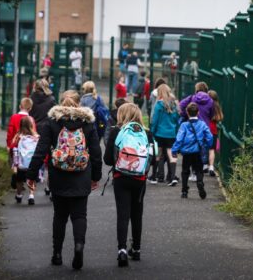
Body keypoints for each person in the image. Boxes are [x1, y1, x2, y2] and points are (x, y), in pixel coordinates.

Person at [26, 90, 102, 270]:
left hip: (58, 176)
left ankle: (57, 254)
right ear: (79, 103)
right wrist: (95, 177)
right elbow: (96, 154)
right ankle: (78, 246)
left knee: (59, 216)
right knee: (79, 215)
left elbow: (40, 151)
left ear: (61, 103)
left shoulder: (52, 123)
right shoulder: (88, 124)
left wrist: (31, 176)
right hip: (81, 176)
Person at [104, 103, 152, 267]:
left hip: (121, 177)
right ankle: (136, 249)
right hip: (140, 179)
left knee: (123, 213)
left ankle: (122, 250)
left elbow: (107, 160)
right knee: (137, 213)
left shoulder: (117, 131)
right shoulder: (147, 133)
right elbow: (152, 158)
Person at [172, 102, 213, 199]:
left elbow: (179, 139)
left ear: (187, 112)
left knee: (185, 171)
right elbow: (209, 137)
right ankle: (199, 182)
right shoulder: (202, 124)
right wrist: (207, 145)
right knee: (199, 170)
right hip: (198, 151)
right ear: (198, 112)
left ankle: (184, 191)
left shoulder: (184, 125)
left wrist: (174, 150)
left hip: (186, 152)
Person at [150, 84, 180, 185]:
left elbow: (155, 120)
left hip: (159, 133)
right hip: (171, 133)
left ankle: (156, 176)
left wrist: (152, 132)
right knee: (171, 155)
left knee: (158, 154)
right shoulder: (173, 104)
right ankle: (172, 177)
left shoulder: (159, 105)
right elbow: (176, 119)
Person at [7, 98, 36, 189]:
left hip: (15, 144)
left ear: (20, 106)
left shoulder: (14, 117)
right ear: (30, 108)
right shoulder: (31, 119)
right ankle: (24, 180)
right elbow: (33, 132)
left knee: (15, 162)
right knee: (25, 163)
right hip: (27, 146)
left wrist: (8, 144)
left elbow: (10, 132)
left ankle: (16, 177)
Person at [10, 116, 39, 205]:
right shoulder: (36, 136)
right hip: (32, 164)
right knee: (32, 179)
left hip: (21, 164)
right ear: (31, 125)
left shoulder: (18, 136)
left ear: (20, 125)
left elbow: (12, 147)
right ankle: (31, 195)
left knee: (19, 180)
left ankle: (19, 195)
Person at [207, 90, 224, 177]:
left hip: (205, 128)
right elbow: (220, 118)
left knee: (203, 147)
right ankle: (211, 167)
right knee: (212, 149)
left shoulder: (207, 105)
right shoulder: (217, 106)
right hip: (213, 129)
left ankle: (203, 165)